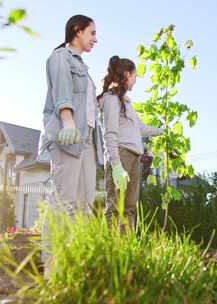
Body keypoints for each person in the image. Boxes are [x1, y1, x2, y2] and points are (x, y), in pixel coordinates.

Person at [41, 14, 104, 267]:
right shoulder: (60, 58)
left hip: (87, 141)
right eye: (92, 33)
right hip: (69, 136)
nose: (95, 39)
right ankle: (52, 269)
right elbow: (62, 92)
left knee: (85, 205)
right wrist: (67, 122)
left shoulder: (85, 70)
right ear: (77, 31)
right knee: (63, 203)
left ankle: (75, 266)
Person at [97, 56, 162, 230]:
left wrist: (162, 130)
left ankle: (127, 248)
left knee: (130, 208)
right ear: (127, 74)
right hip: (121, 155)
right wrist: (116, 165)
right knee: (115, 206)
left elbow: (140, 128)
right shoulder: (111, 99)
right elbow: (109, 134)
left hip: (134, 157)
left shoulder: (126, 101)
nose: (135, 81)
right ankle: (111, 251)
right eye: (135, 76)